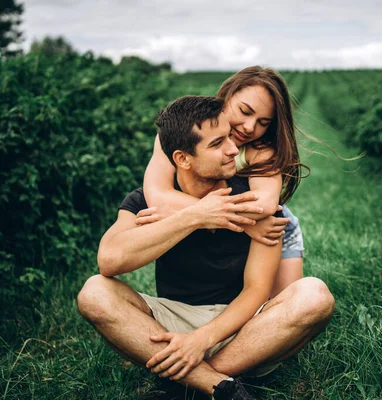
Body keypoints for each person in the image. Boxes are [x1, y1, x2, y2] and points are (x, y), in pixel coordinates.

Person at [77, 96, 335, 399]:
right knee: (95, 292)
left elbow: (255, 292)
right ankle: (220, 387)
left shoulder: (254, 203)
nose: (232, 149)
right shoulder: (146, 201)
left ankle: (183, 384)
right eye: (217, 144)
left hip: (245, 331)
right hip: (176, 322)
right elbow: (109, 260)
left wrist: (201, 340)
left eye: (229, 137)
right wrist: (195, 216)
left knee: (315, 295)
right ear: (183, 159)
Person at [141, 66, 305, 298]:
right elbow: (157, 196)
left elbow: (265, 206)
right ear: (226, 95)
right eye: (244, 111)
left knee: (283, 311)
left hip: (271, 227)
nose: (250, 127)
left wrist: (231, 218)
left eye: (263, 122)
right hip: (237, 225)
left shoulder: (260, 150)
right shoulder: (180, 134)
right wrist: (246, 224)